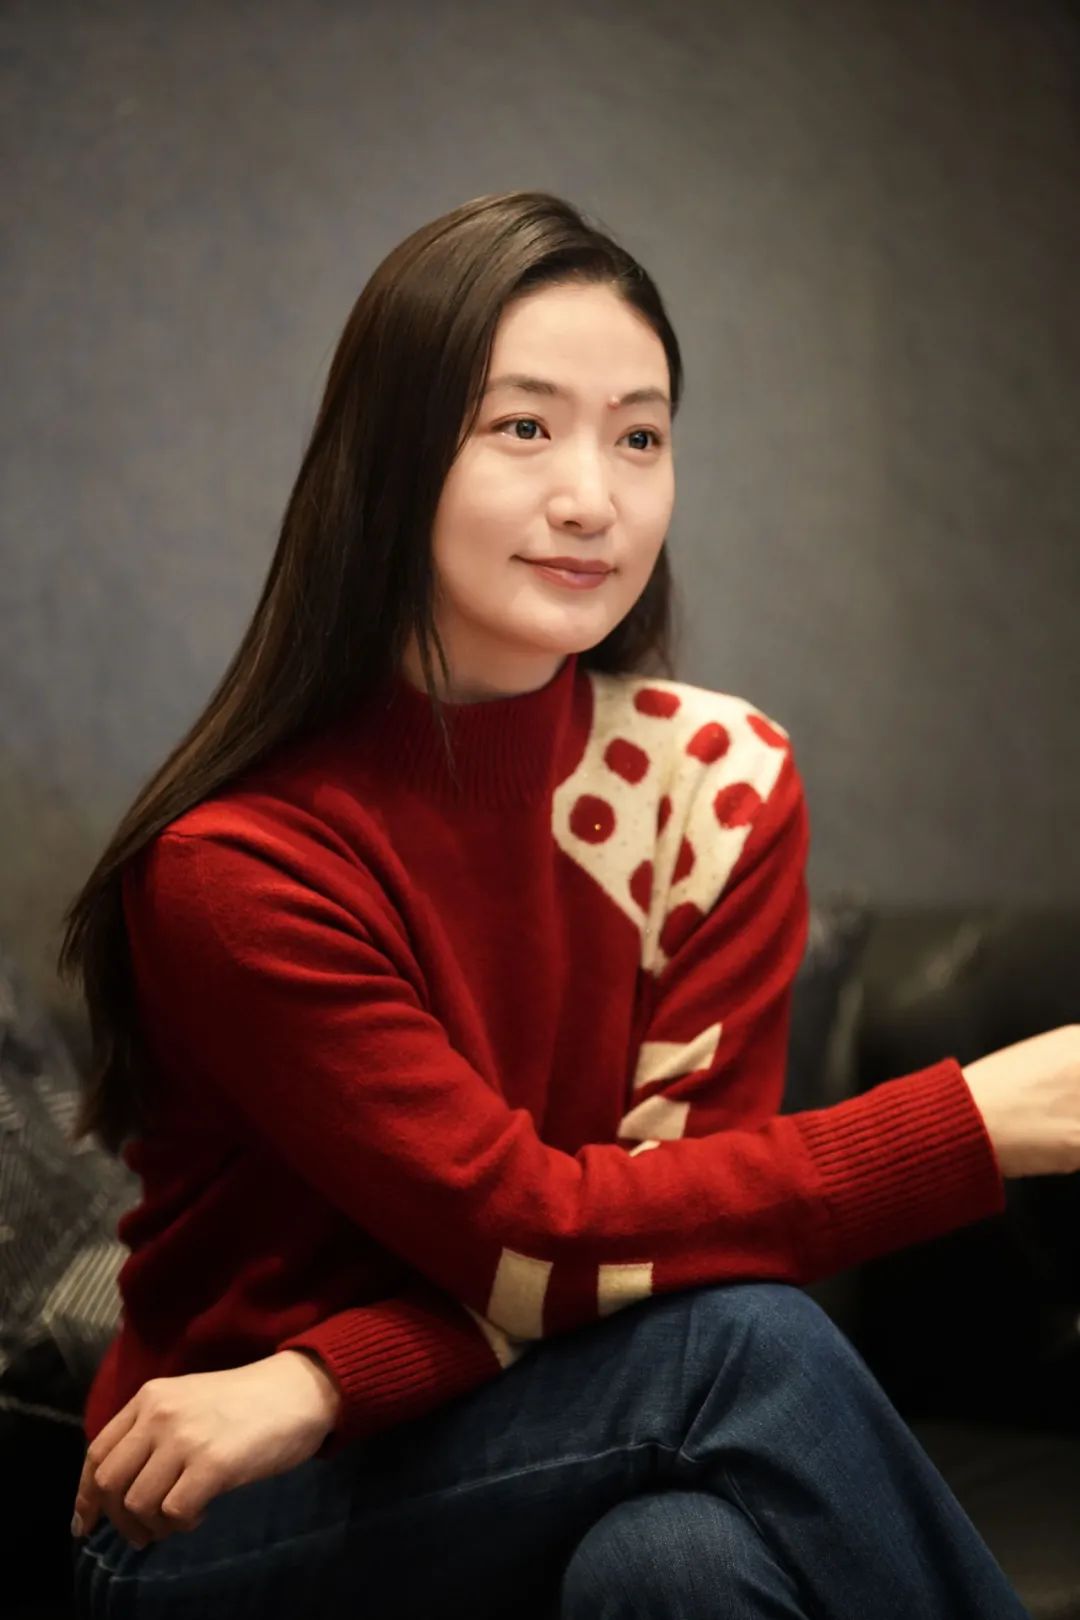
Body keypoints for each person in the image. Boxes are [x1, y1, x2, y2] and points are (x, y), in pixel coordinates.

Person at [57, 189, 1079, 1620]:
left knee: (677, 1563)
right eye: (523, 427)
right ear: (391, 460)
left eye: (640, 436)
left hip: (526, 1426)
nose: (594, 497)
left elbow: (658, 1257)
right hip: (218, 1516)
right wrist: (978, 1123)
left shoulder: (710, 787)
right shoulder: (243, 867)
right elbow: (542, 1238)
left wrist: (325, 1374)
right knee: (746, 1345)